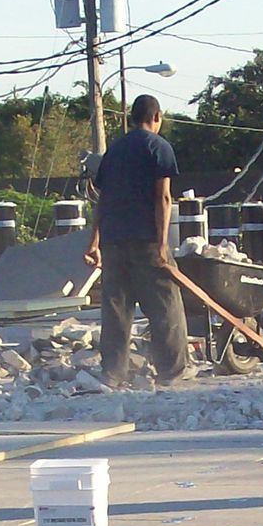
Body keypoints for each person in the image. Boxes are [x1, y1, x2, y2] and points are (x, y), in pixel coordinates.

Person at [84, 95, 190, 388]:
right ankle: (171, 371)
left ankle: (114, 373)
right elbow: (163, 198)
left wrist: (93, 243)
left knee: (116, 308)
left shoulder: (113, 152)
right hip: (145, 239)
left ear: (132, 118)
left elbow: (102, 200)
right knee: (164, 304)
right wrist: (161, 245)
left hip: (114, 242)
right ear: (157, 117)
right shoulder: (158, 147)